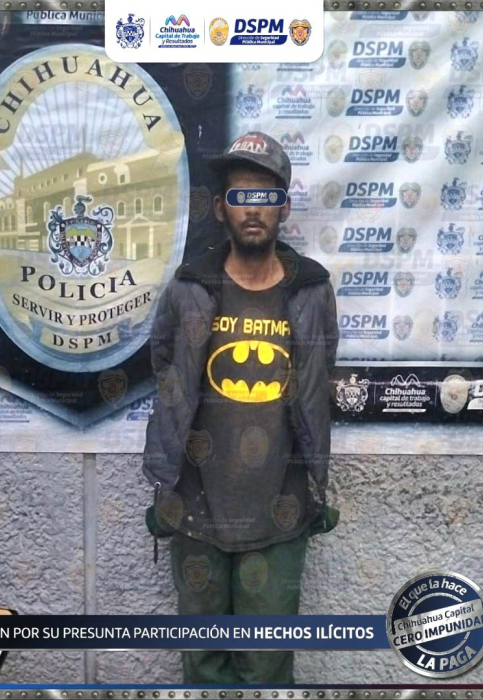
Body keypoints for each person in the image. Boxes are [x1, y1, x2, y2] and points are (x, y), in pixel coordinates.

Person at [143, 131, 339, 684]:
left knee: (267, 669)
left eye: (266, 196)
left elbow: (320, 377)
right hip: (196, 510)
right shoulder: (189, 288)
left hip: (279, 512)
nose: (253, 210)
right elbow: (165, 366)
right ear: (220, 209)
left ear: (284, 208)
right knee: (204, 667)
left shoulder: (311, 291)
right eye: (240, 196)